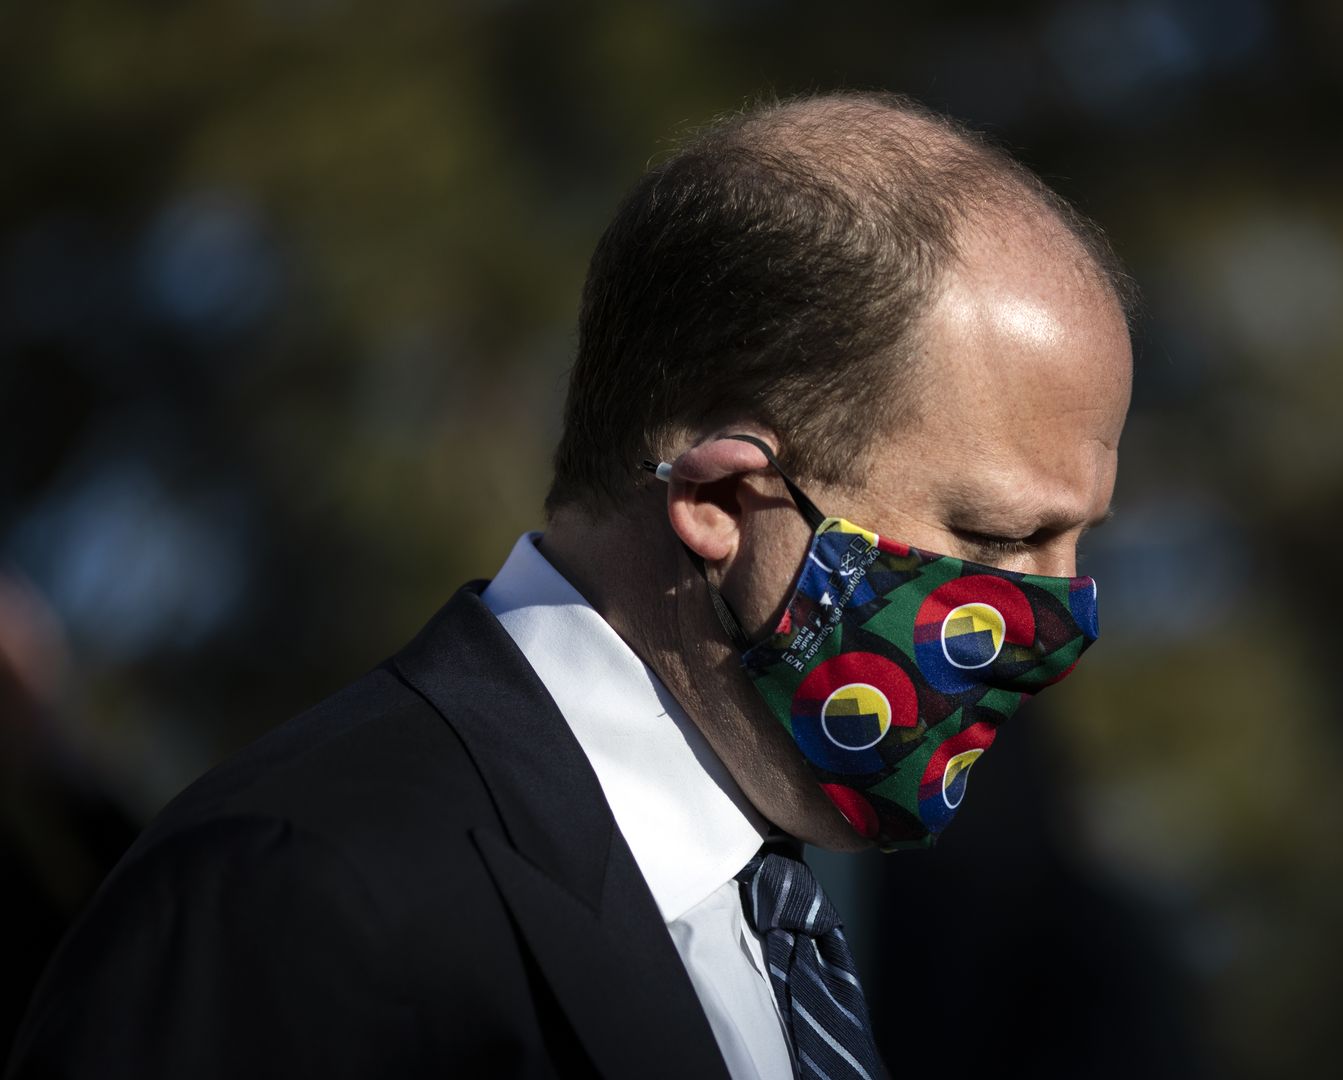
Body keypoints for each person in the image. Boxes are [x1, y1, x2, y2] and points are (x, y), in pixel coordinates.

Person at [5, 90, 1134, 1079]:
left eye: (1077, 542)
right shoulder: (302, 893)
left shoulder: (787, 930)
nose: (1058, 621)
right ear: (721, 502)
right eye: (993, 535)